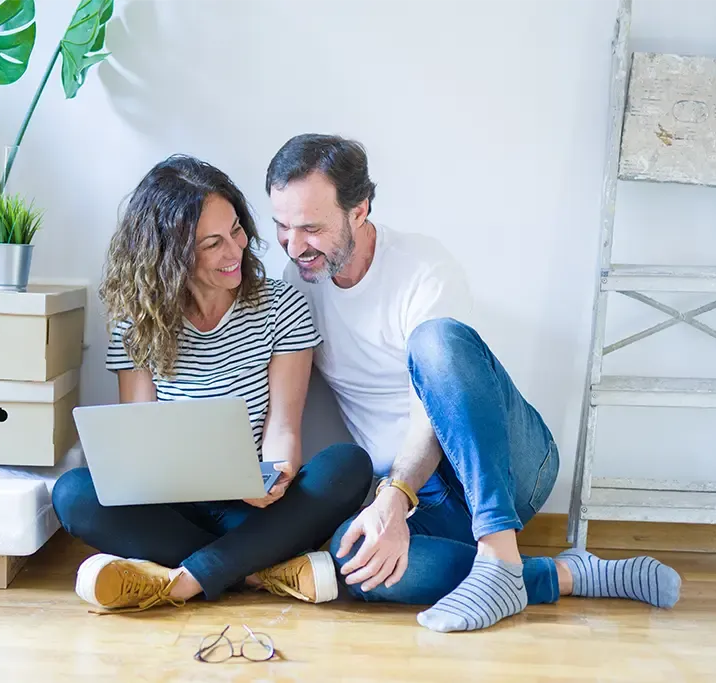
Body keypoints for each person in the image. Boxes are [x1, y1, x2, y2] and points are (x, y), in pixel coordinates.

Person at [264, 133, 682, 632]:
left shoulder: (422, 267)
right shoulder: (294, 287)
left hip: (499, 464)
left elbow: (434, 404)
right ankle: (563, 575)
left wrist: (394, 496)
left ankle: (499, 554)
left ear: (359, 210)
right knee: (349, 563)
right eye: (282, 227)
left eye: (310, 228)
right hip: (423, 501)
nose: (294, 246)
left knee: (436, 341)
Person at [51, 154, 373, 614]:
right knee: (73, 495)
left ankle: (181, 582)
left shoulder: (283, 308)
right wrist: (171, 480)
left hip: (250, 507)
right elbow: (139, 437)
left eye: (237, 231)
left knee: (347, 466)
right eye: (212, 244)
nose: (235, 251)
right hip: (171, 506)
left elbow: (283, 428)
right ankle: (260, 573)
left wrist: (274, 478)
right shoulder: (135, 322)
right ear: (170, 256)